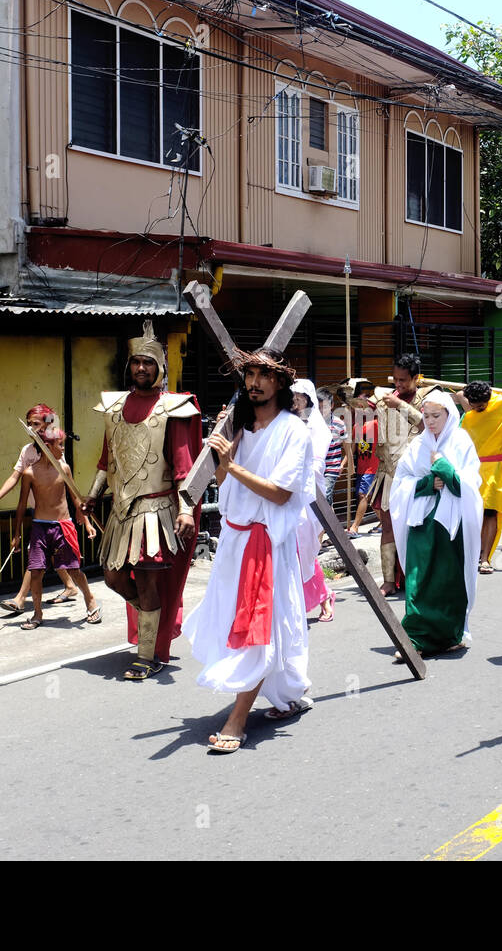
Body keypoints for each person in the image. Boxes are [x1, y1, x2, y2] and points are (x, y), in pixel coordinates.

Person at [183, 348, 315, 754]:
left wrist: (232, 463)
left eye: (263, 375)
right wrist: (224, 459)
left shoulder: (295, 431)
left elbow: (279, 493)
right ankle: (288, 691)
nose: (254, 382)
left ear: (280, 383)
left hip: (267, 544)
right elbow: (226, 486)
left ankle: (237, 719)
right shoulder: (239, 428)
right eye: (249, 375)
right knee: (237, 621)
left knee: (257, 628)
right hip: (234, 541)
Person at [79, 322, 202, 681]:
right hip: (122, 510)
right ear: (129, 366)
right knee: (114, 578)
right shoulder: (115, 407)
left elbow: (183, 468)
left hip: (156, 512)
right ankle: (155, 622)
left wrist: (184, 509)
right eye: (136, 363)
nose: (141, 369)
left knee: (148, 583)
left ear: (159, 367)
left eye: (148, 363)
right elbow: (108, 461)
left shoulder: (172, 407)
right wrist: (91, 494)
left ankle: (147, 656)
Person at [389, 389, 483, 657]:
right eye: (426, 416)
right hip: (421, 522)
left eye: (436, 416)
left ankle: (450, 635)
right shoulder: (419, 445)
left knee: (448, 581)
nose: (430, 421)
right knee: (418, 579)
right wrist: (427, 483)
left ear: (448, 415)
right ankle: (416, 638)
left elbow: (469, 484)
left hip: (451, 526)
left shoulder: (461, 442)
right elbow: (401, 482)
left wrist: (442, 466)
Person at [0, 403, 81, 612]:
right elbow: (14, 477)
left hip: (55, 515)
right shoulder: (27, 451)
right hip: (37, 514)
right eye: (28, 424)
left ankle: (20, 599)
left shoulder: (55, 449)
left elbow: (66, 481)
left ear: (46, 425)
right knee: (45, 556)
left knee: (38, 558)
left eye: (36, 424)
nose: (31, 428)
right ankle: (70, 586)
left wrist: (82, 513)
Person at [11, 423, 100, 630]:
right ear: (47, 446)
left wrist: (86, 523)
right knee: (36, 571)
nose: (63, 449)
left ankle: (90, 600)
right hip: (40, 527)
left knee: (74, 570)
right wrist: (16, 534)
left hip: (63, 526)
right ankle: (37, 614)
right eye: (60, 445)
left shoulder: (64, 468)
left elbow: (75, 498)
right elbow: (22, 504)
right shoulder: (29, 473)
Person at [365, 354, 430, 596]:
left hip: (416, 474)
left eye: (404, 380)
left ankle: (418, 577)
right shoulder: (384, 398)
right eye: (396, 379)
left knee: (417, 526)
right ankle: (389, 580)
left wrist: (402, 406)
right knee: (388, 526)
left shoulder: (429, 397)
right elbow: (361, 408)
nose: (399, 384)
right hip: (388, 472)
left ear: (416, 378)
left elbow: (428, 426)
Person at [457, 380, 502, 573]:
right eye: (473, 406)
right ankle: (472, 554)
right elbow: (460, 394)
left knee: (491, 512)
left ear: (489, 399)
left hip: (494, 469)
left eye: (481, 407)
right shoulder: (468, 415)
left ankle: (486, 558)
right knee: (471, 514)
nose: (476, 410)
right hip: (472, 469)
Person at [293, 379, 335, 623]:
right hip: (284, 494)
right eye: (293, 395)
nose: (296, 399)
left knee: (306, 551)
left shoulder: (318, 427)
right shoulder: (284, 421)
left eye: (300, 395)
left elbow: (317, 464)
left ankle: (324, 596)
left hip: (307, 496)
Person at [344, 379, 379, 537]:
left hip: (373, 466)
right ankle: (385, 523)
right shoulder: (357, 425)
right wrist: (345, 464)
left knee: (362, 495)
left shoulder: (377, 423)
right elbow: (352, 448)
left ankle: (355, 527)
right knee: (373, 501)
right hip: (361, 466)